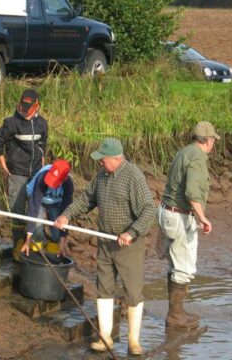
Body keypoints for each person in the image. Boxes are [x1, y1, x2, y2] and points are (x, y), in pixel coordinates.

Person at [55, 138, 156, 355]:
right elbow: (86, 200)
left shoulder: (133, 177)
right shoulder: (101, 176)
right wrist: (66, 215)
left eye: (103, 159)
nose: (100, 163)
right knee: (104, 289)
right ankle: (105, 338)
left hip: (129, 245)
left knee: (132, 292)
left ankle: (133, 341)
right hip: (105, 242)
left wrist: (131, 232)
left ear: (117, 159)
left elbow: (149, 211)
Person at [158, 121, 219, 330]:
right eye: (213, 140)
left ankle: (176, 312)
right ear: (207, 140)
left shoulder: (184, 152)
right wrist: (202, 218)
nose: (213, 144)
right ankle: (175, 316)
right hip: (179, 216)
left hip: (167, 212)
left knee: (175, 264)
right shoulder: (197, 158)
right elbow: (192, 192)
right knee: (183, 267)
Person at [0, 89, 48, 245]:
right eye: (23, 106)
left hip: (36, 174)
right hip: (16, 173)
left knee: (37, 211)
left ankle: (37, 245)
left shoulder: (42, 124)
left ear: (37, 106)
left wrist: (42, 166)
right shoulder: (11, 123)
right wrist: (3, 165)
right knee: (17, 212)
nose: (25, 110)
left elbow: (43, 144)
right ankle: (18, 244)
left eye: (29, 107)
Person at [20, 159, 73, 257]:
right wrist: (28, 238)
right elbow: (34, 206)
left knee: (57, 230)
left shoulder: (68, 183)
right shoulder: (42, 177)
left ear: (64, 179)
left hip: (55, 202)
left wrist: (62, 240)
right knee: (36, 228)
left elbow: (66, 212)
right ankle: (33, 253)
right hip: (37, 200)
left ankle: (53, 255)